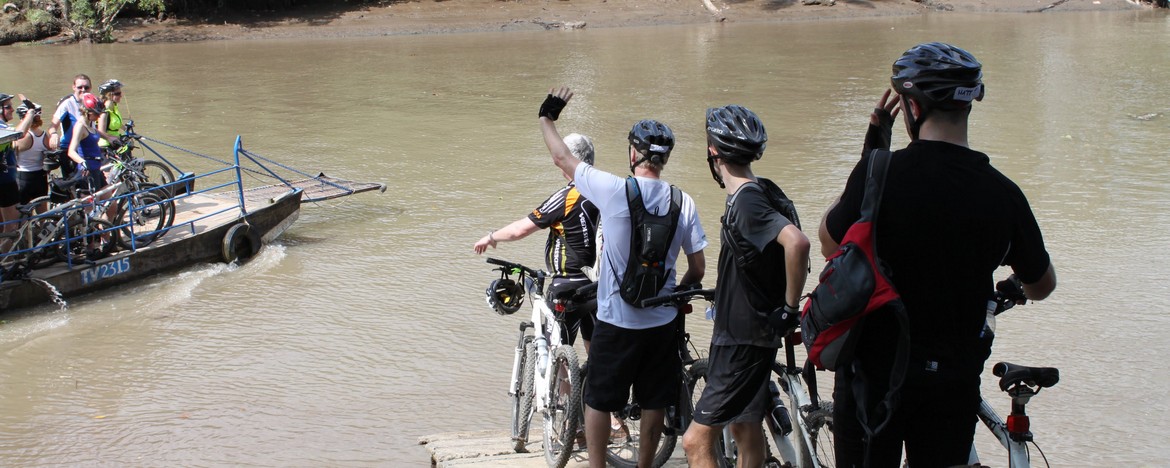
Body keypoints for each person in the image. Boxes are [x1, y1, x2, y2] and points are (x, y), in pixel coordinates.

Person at [818, 42, 1057, 467]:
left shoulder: (881, 172)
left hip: (874, 380)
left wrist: (870, 155)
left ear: (910, 106)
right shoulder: (1003, 193)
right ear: (970, 104)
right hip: (952, 383)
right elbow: (1041, 285)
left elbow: (831, 243)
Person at [539, 86, 708, 468]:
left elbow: (562, 157)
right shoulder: (683, 202)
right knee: (653, 402)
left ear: (633, 154)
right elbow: (697, 269)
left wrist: (546, 117)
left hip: (616, 320)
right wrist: (675, 293)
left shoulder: (613, 190)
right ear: (665, 160)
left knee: (599, 398)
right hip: (662, 323)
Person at [681, 105, 810, 468]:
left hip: (742, 341)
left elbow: (797, 243)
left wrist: (789, 307)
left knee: (694, 441)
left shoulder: (749, 201)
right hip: (750, 332)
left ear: (712, 153)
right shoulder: (759, 190)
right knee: (744, 425)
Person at [473, 132, 601, 348]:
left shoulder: (567, 197)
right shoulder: (606, 190)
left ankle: (563, 380)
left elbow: (520, 230)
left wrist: (492, 237)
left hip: (568, 286)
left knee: (558, 355)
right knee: (596, 351)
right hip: (600, 286)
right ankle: (593, 380)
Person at [1, 92, 38, 235]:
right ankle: (7, 258)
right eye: (8, 106)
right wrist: (30, 112)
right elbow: (19, 134)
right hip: (4, 183)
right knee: (12, 229)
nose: (12, 109)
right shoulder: (1, 128)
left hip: (7, 181)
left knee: (10, 226)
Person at [12, 100, 57, 210]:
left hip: (24, 177)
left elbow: (12, 152)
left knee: (23, 214)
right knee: (42, 212)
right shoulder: (44, 135)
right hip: (41, 177)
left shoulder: (25, 137)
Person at [51, 74, 91, 178]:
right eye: (79, 87)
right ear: (73, 87)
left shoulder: (91, 103)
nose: (83, 90)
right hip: (69, 150)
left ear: (90, 88)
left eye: (86, 87)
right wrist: (54, 134)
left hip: (87, 149)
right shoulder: (67, 104)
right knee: (74, 186)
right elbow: (53, 125)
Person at [96, 79, 126, 150]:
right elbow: (101, 132)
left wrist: (127, 129)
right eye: (118, 94)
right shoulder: (105, 111)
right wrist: (119, 138)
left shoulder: (114, 106)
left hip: (116, 142)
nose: (121, 96)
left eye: (120, 93)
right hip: (106, 145)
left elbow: (115, 123)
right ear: (109, 95)